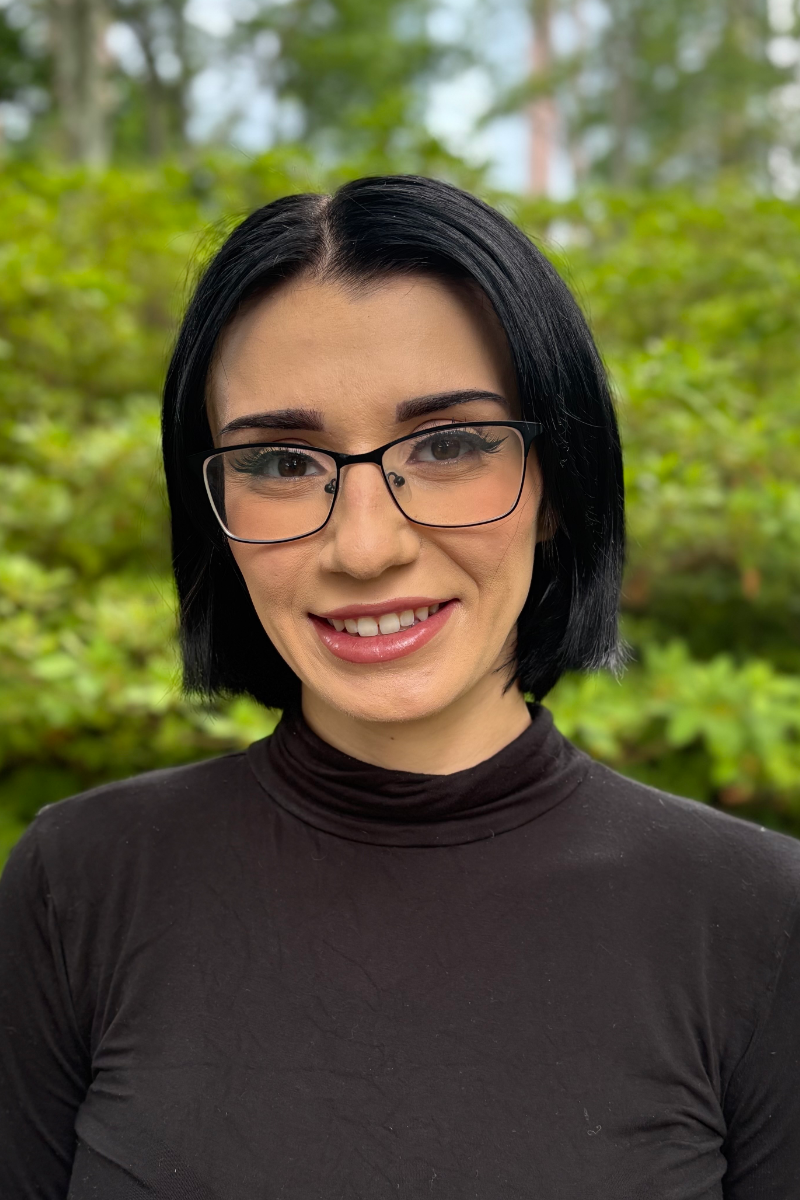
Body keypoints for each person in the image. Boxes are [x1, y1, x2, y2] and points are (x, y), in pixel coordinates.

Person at [0, 175, 798, 1200]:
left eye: (450, 444)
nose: (364, 546)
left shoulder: (753, 921)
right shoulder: (79, 887)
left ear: (555, 485)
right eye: (282, 461)